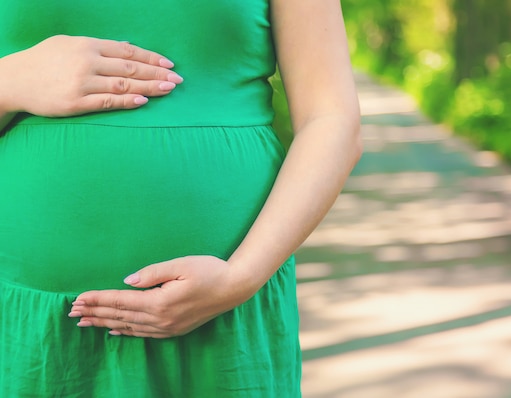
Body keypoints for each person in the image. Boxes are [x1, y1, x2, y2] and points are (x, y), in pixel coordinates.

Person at [0, 0, 361, 396]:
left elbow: (331, 118)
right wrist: (11, 81)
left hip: (222, 312)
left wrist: (240, 278)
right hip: (28, 321)